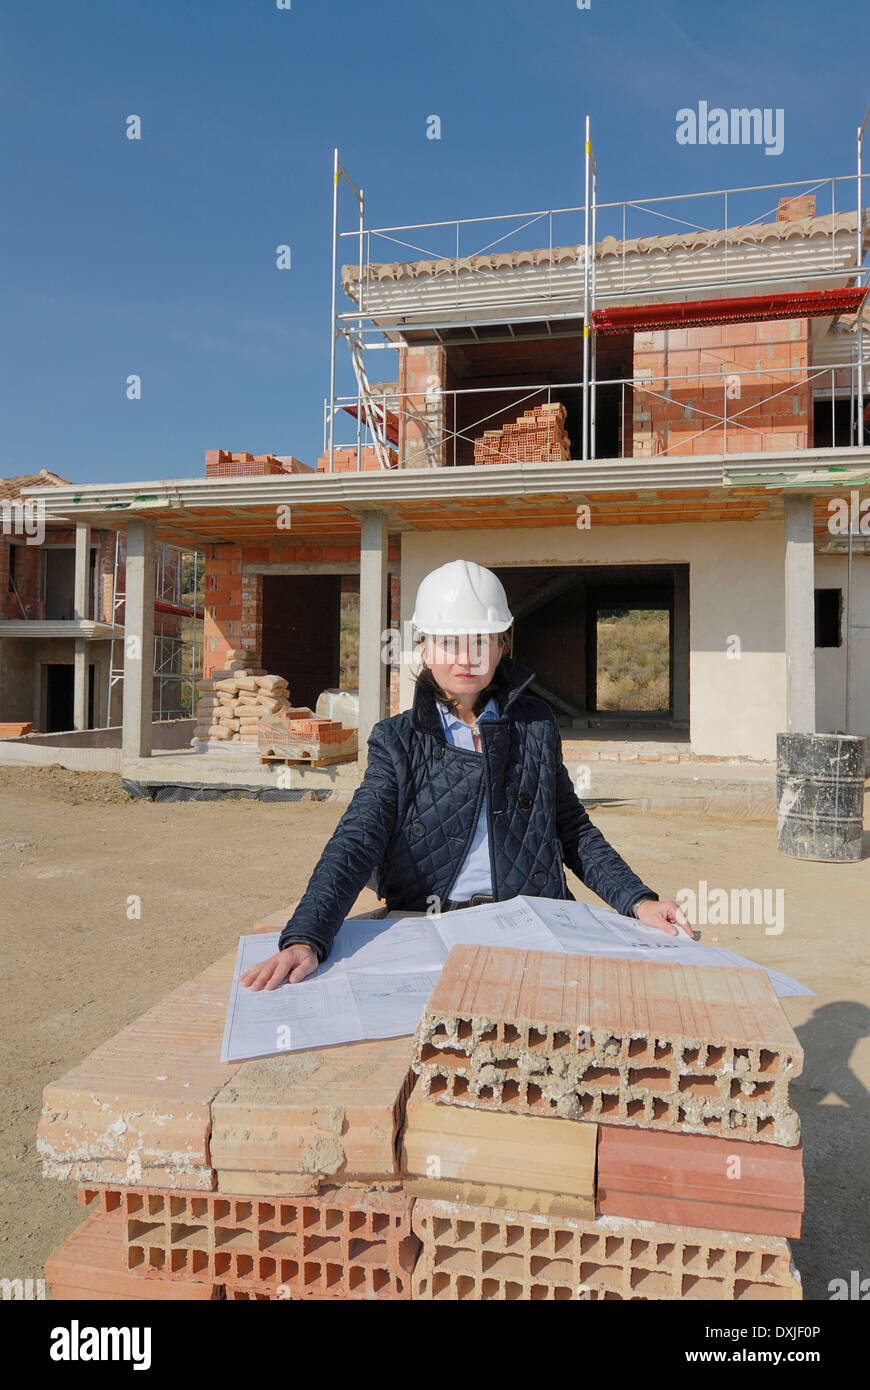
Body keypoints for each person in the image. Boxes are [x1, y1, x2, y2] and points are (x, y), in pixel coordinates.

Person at [241, 559, 692, 992]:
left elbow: (571, 828)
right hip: (431, 926)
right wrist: (307, 935)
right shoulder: (398, 741)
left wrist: (638, 900)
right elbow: (357, 840)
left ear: (501, 645)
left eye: (481, 640)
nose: (465, 657)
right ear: (424, 647)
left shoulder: (534, 726)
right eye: (448, 641)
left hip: (535, 922)